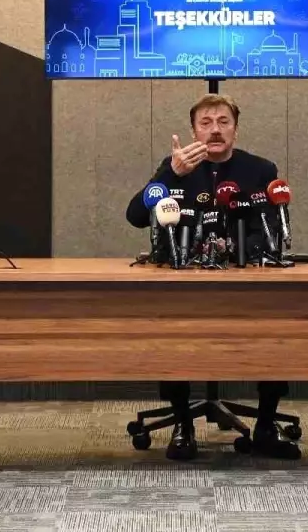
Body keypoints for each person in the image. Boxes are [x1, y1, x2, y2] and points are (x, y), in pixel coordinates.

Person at [125, 93, 299, 461]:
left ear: (236, 129)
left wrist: (235, 251)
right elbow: (135, 216)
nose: (215, 130)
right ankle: (182, 425)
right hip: (184, 283)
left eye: (223, 122)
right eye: (205, 123)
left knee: (276, 329)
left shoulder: (260, 169)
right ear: (193, 132)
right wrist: (171, 174)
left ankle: (266, 426)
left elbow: (267, 227)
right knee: (172, 335)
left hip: (245, 281)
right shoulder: (175, 168)